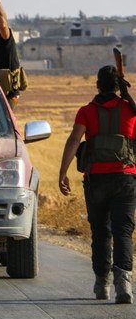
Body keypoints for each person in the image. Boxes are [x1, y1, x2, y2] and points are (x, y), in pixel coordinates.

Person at [58, 65, 136, 304]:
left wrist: (63, 173)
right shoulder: (129, 110)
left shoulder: (86, 112)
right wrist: (127, 96)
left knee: (100, 231)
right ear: (118, 86)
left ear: (97, 85)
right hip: (125, 178)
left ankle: (102, 283)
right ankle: (124, 284)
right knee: (123, 230)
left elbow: (74, 140)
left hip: (96, 180)